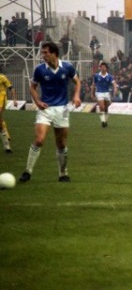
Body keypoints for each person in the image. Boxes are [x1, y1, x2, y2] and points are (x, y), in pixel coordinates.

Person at [20, 41, 81, 183]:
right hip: (45, 110)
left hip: (62, 110)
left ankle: (63, 173)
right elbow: (33, 87)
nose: (43, 55)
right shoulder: (40, 69)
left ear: (54, 53)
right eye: (42, 53)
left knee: (61, 144)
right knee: (39, 140)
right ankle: (27, 171)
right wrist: (37, 102)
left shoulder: (67, 67)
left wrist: (76, 96)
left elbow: (77, 82)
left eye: (46, 52)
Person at [91, 62, 118, 128]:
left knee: (106, 108)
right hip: (99, 93)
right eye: (101, 66)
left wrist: (115, 89)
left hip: (107, 93)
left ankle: (105, 121)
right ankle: (103, 122)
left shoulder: (109, 76)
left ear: (106, 68)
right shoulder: (96, 76)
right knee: (102, 107)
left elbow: (114, 83)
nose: (103, 68)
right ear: (100, 68)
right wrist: (92, 93)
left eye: (104, 67)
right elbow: (93, 85)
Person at [0, 71, 18, 153]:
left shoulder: (2, 77)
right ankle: (6, 141)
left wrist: (14, 100)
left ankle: (7, 144)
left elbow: (12, 88)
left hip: (1, 99)